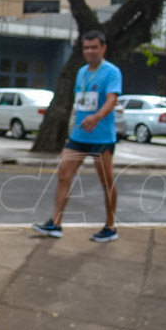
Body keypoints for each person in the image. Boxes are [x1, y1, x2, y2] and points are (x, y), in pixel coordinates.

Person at [33, 30, 122, 242]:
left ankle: (110, 227)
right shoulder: (81, 72)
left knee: (106, 181)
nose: (90, 51)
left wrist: (97, 117)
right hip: (79, 137)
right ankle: (55, 223)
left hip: (101, 138)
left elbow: (112, 100)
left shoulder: (111, 72)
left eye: (94, 47)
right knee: (64, 174)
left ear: (103, 48)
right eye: (86, 47)